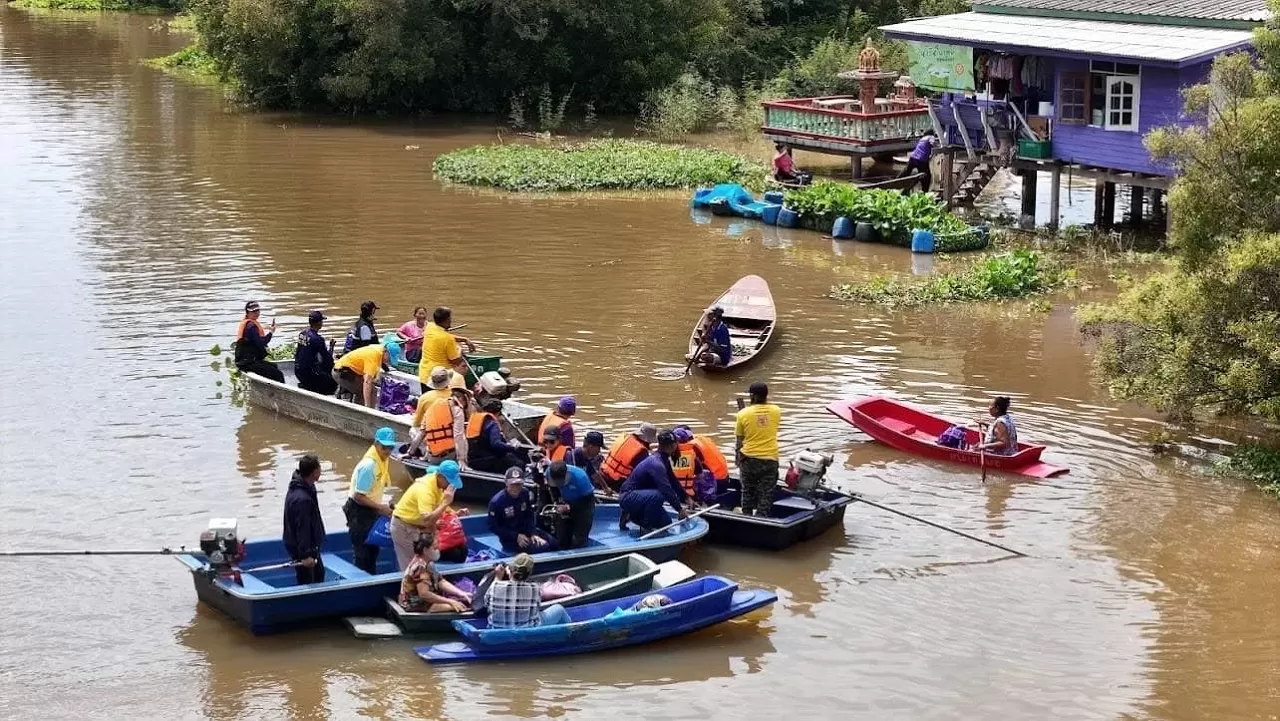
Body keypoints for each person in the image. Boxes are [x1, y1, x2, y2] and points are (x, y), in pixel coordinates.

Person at [390, 459, 466, 569]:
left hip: (420, 527)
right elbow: (428, 519)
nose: (450, 485)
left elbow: (438, 504)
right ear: (440, 476)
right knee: (411, 568)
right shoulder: (425, 489)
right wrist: (445, 503)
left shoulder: (438, 484)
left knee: (431, 559)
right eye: (449, 481)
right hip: (404, 527)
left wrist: (455, 513)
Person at [343, 427, 397, 574]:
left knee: (373, 549)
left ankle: (371, 576)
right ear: (376, 444)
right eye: (384, 447)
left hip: (372, 510)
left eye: (391, 448)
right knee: (362, 553)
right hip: (358, 512)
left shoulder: (382, 460)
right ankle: (360, 583)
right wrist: (381, 508)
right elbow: (358, 497)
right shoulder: (369, 466)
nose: (388, 451)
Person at [618, 430, 690, 532]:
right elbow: (666, 489)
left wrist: (686, 497)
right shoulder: (657, 464)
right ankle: (645, 527)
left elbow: (674, 481)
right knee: (659, 494)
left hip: (641, 497)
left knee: (666, 523)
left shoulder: (663, 460)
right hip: (628, 497)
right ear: (673, 445)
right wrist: (680, 509)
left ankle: (632, 516)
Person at [486, 553, 572, 628]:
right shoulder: (535, 588)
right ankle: (571, 634)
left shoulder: (495, 585)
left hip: (496, 633)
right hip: (527, 632)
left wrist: (498, 577)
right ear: (529, 573)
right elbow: (536, 608)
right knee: (559, 609)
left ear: (511, 569)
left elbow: (486, 603)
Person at [735, 382, 782, 517]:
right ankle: (761, 517)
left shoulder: (743, 414)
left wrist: (737, 459)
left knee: (747, 491)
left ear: (752, 396)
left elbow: (739, 440)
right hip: (770, 460)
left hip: (748, 459)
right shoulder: (776, 411)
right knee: (766, 492)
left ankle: (747, 517)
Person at [398, 533, 472, 613]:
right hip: (415, 604)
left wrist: (461, 593)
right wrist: (450, 602)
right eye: (435, 548)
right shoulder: (419, 568)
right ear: (425, 550)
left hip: (426, 600)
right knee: (459, 607)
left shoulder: (429, 562)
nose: (438, 550)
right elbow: (424, 594)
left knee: (464, 600)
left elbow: (441, 581)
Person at [488, 467, 557, 552]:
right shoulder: (497, 502)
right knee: (543, 547)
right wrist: (516, 536)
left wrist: (533, 533)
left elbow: (529, 515)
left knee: (554, 543)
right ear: (506, 483)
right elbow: (493, 527)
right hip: (510, 538)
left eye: (519, 484)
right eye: (512, 484)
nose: (516, 487)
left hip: (526, 531)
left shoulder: (525, 493)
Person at [282, 454, 325, 585]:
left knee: (319, 574)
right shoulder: (302, 499)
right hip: (303, 547)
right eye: (319, 469)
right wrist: (305, 555)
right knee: (307, 579)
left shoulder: (305, 486)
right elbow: (303, 528)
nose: (321, 472)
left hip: (307, 544)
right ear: (314, 472)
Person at [466, 396, 529, 474]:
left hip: (472, 460)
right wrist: (513, 447)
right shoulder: (492, 424)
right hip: (488, 460)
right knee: (519, 463)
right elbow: (496, 444)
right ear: (498, 412)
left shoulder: (474, 420)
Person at [417, 307, 476, 390]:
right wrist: (460, 350)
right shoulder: (448, 339)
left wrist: (464, 339)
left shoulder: (429, 327)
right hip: (440, 378)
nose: (451, 320)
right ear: (447, 320)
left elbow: (442, 335)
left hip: (424, 374)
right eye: (450, 318)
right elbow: (455, 361)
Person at [419, 375, 472, 465]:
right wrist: (461, 459)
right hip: (450, 456)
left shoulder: (430, 404)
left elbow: (421, 433)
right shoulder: (457, 409)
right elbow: (458, 436)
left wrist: (410, 452)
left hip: (433, 457)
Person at [548, 460, 595, 549]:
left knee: (579, 537)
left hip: (583, 503)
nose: (559, 484)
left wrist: (570, 507)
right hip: (564, 500)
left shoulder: (580, 477)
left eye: (560, 482)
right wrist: (558, 503)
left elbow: (587, 500)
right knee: (562, 535)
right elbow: (553, 490)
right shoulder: (548, 473)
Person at [233, 300, 284, 382]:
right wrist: (271, 332)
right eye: (253, 311)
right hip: (247, 362)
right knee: (278, 374)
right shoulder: (251, 327)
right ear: (248, 312)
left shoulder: (249, 323)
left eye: (257, 310)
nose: (256, 313)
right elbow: (262, 342)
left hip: (246, 360)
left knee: (274, 366)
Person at [331, 342, 390, 408]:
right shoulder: (373, 356)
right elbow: (367, 382)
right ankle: (364, 413)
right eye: (389, 358)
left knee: (371, 390)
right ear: (385, 352)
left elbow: (382, 364)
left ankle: (364, 409)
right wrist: (367, 405)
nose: (388, 361)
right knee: (368, 391)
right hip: (342, 372)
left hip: (349, 370)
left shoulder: (378, 349)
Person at [601, 422, 657, 491]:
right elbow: (645, 472)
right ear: (648, 439)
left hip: (603, 474)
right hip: (617, 482)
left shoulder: (625, 438)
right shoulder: (642, 452)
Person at [294, 310, 337, 395]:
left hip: (298, 372)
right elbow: (327, 361)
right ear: (319, 323)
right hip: (309, 375)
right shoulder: (317, 339)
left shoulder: (302, 334)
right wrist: (331, 347)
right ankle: (314, 390)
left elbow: (299, 353)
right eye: (321, 321)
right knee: (333, 384)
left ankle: (308, 386)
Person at [681, 426, 731, 492]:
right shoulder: (703, 439)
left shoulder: (692, 448)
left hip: (716, 483)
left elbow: (697, 471)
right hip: (725, 477)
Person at [670, 426, 709, 499]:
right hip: (688, 493)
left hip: (671, 493)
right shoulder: (692, 455)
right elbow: (700, 476)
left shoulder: (668, 454)